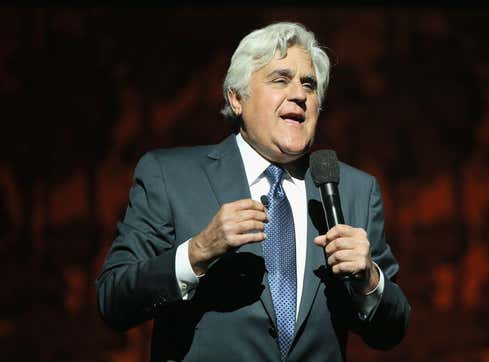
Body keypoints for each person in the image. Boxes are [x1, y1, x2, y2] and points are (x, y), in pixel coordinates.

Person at [96, 22, 410, 361]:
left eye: (309, 84)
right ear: (236, 98)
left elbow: (391, 331)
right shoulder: (170, 176)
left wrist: (369, 281)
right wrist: (197, 252)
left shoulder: (354, 190)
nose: (300, 94)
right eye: (280, 79)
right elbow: (114, 301)